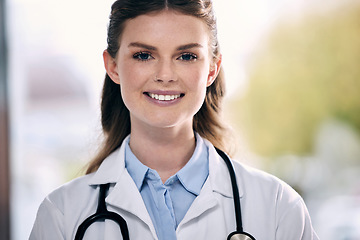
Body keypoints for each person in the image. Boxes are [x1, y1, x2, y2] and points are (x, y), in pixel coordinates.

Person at [30, 0, 319, 239]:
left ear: (212, 69)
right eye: (144, 55)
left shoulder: (279, 207)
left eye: (187, 56)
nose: (165, 75)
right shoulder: (62, 214)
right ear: (113, 66)